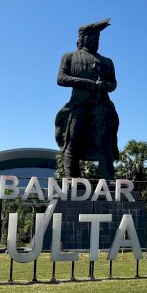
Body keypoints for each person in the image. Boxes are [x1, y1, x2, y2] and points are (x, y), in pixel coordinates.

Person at [54, 18, 119, 179]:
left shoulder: (107, 62)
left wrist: (106, 85)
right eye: (90, 37)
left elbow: (114, 84)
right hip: (78, 106)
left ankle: (109, 183)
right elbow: (61, 79)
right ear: (81, 39)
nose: (94, 40)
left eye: (97, 38)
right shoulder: (69, 57)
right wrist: (86, 83)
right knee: (73, 143)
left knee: (105, 146)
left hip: (101, 106)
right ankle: (71, 181)